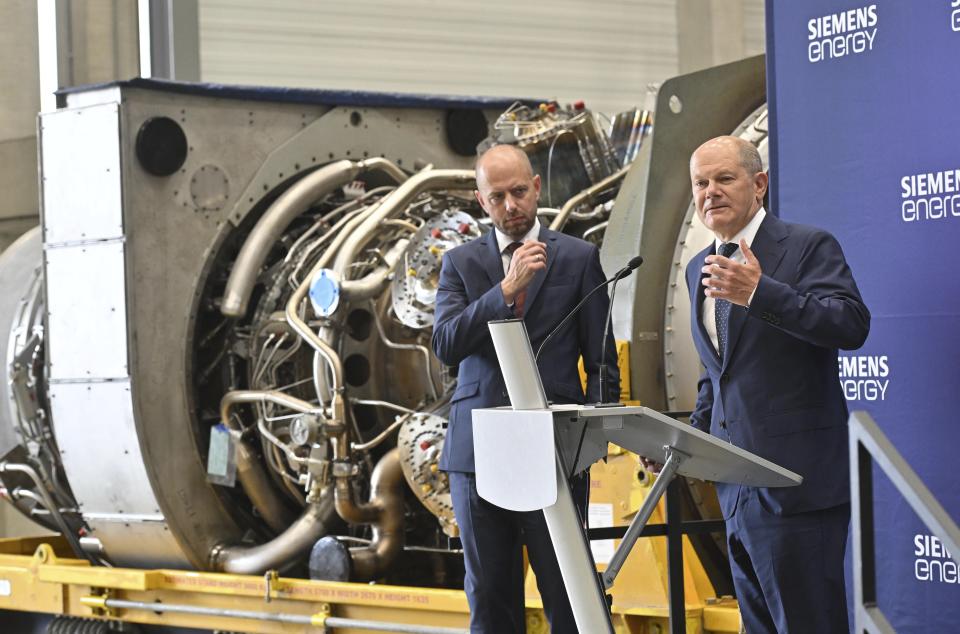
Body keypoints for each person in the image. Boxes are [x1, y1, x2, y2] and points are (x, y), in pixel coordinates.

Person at [682, 135, 870, 632]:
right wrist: (686, 442)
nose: (710, 192)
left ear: (759, 184)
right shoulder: (695, 269)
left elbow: (850, 325)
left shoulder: (807, 246)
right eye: (701, 183)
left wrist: (761, 293)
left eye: (725, 179)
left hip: (796, 489)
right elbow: (716, 371)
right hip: (736, 489)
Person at [432, 144, 620, 633]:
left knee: (568, 594)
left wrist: (593, 441)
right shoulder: (460, 264)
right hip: (477, 456)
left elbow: (601, 362)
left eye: (519, 192)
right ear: (481, 201)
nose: (511, 206)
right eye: (498, 197)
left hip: (555, 451)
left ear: (537, 187)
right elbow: (447, 344)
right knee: (492, 601)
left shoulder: (579, 259)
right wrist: (505, 291)